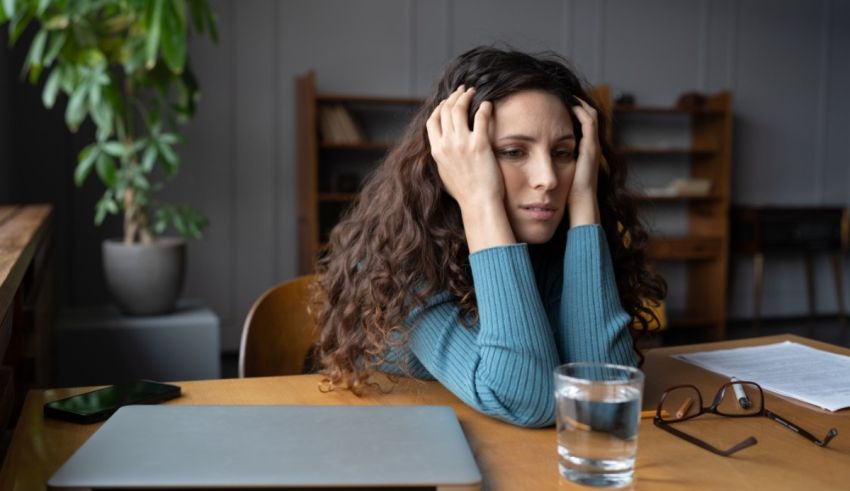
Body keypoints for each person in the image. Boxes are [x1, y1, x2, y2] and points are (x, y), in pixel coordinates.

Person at [312, 46, 666, 427]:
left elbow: (604, 396)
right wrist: (479, 200)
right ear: (455, 159)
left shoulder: (557, 239)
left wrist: (583, 201)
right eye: (513, 151)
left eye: (564, 153)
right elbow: (528, 400)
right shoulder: (401, 262)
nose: (548, 178)